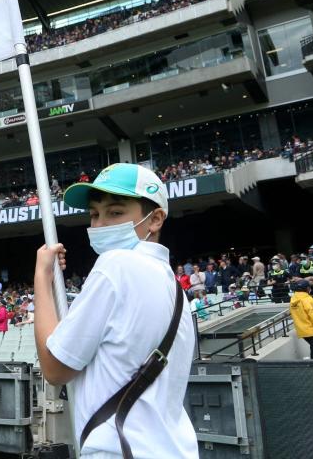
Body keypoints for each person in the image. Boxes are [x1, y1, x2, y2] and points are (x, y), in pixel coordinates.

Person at [33, 163, 198, 458]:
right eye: (95, 214)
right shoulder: (175, 289)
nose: (99, 225)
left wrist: (41, 279)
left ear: (155, 219)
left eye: (116, 212)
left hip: (118, 449)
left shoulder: (116, 265)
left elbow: (55, 369)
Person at [289, 279, 313, 359]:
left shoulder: (293, 299)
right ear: (307, 288)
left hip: (302, 330)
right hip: (312, 330)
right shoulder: (307, 300)